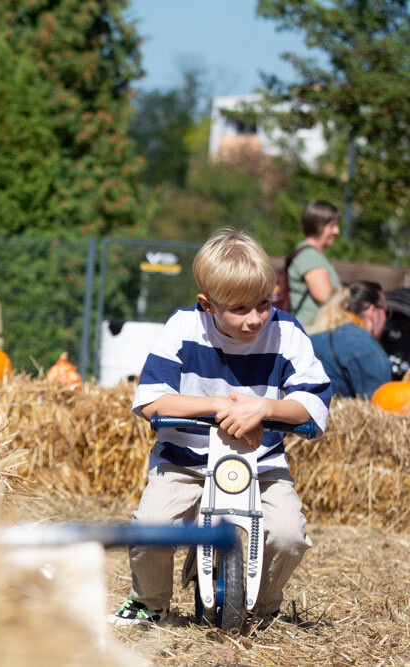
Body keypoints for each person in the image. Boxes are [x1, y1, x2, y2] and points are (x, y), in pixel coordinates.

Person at [108, 229, 330, 627]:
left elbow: (312, 402)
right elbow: (151, 400)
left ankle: (263, 607)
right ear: (207, 305)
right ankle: (149, 603)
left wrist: (265, 408)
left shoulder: (287, 332)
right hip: (185, 460)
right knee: (151, 528)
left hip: (260, 463)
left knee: (288, 535)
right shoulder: (183, 328)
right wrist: (218, 405)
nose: (255, 319)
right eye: (239, 308)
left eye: (264, 304)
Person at [306, 281, 390, 399]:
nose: (387, 319)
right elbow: (381, 401)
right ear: (372, 311)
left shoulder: (313, 336)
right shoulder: (364, 344)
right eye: (387, 312)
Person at [287, 200, 342, 327]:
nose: (337, 231)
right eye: (332, 226)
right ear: (318, 225)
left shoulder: (314, 254)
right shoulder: (309, 256)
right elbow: (326, 297)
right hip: (310, 331)